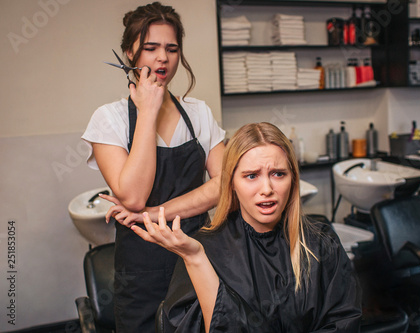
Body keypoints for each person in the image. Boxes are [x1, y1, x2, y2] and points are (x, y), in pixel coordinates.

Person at [133, 122, 361, 332]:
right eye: (251, 176)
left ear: (293, 179)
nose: (267, 188)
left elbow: (344, 321)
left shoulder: (320, 242)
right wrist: (196, 259)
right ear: (232, 183)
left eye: (278, 174)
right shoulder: (206, 249)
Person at [81, 3, 225, 332]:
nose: (163, 58)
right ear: (130, 51)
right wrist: (148, 109)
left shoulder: (199, 113)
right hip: (139, 276)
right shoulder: (109, 119)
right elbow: (132, 196)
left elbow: (224, 183)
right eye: (151, 48)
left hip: (196, 260)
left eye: (172, 49)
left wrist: (155, 211)